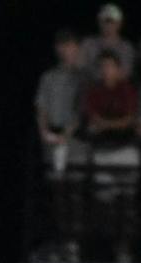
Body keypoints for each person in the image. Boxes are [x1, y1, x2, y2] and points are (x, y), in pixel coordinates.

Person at [36, 29, 88, 169]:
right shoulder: (48, 77)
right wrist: (44, 131)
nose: (65, 50)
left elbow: (81, 110)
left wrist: (66, 134)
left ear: (77, 47)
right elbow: (42, 106)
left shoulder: (84, 78)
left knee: (75, 176)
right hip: (51, 136)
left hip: (75, 137)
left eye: (69, 45)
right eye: (61, 45)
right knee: (54, 177)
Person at [81, 4, 137, 79]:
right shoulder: (88, 44)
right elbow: (82, 68)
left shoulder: (127, 47)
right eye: (105, 21)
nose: (108, 25)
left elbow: (126, 73)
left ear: (120, 23)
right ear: (99, 22)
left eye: (112, 22)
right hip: (92, 86)